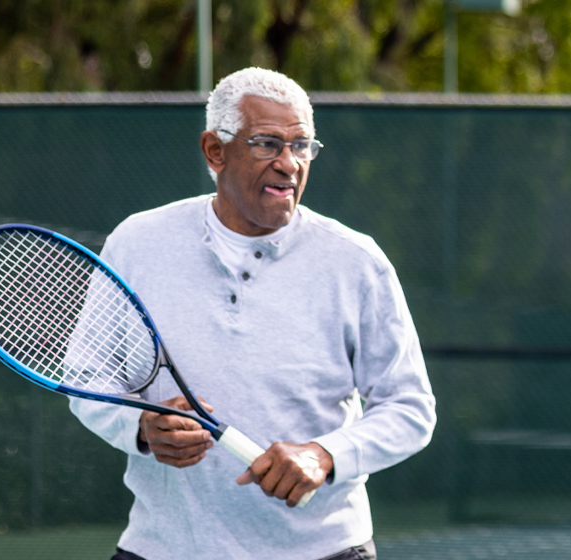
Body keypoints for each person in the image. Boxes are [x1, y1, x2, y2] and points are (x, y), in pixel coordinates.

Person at [68, 67, 437, 560]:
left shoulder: (357, 262)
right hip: (162, 548)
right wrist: (139, 426)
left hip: (325, 550)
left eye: (302, 146)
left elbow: (410, 408)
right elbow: (88, 377)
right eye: (267, 144)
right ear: (215, 151)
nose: (289, 163)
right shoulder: (137, 243)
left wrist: (324, 455)